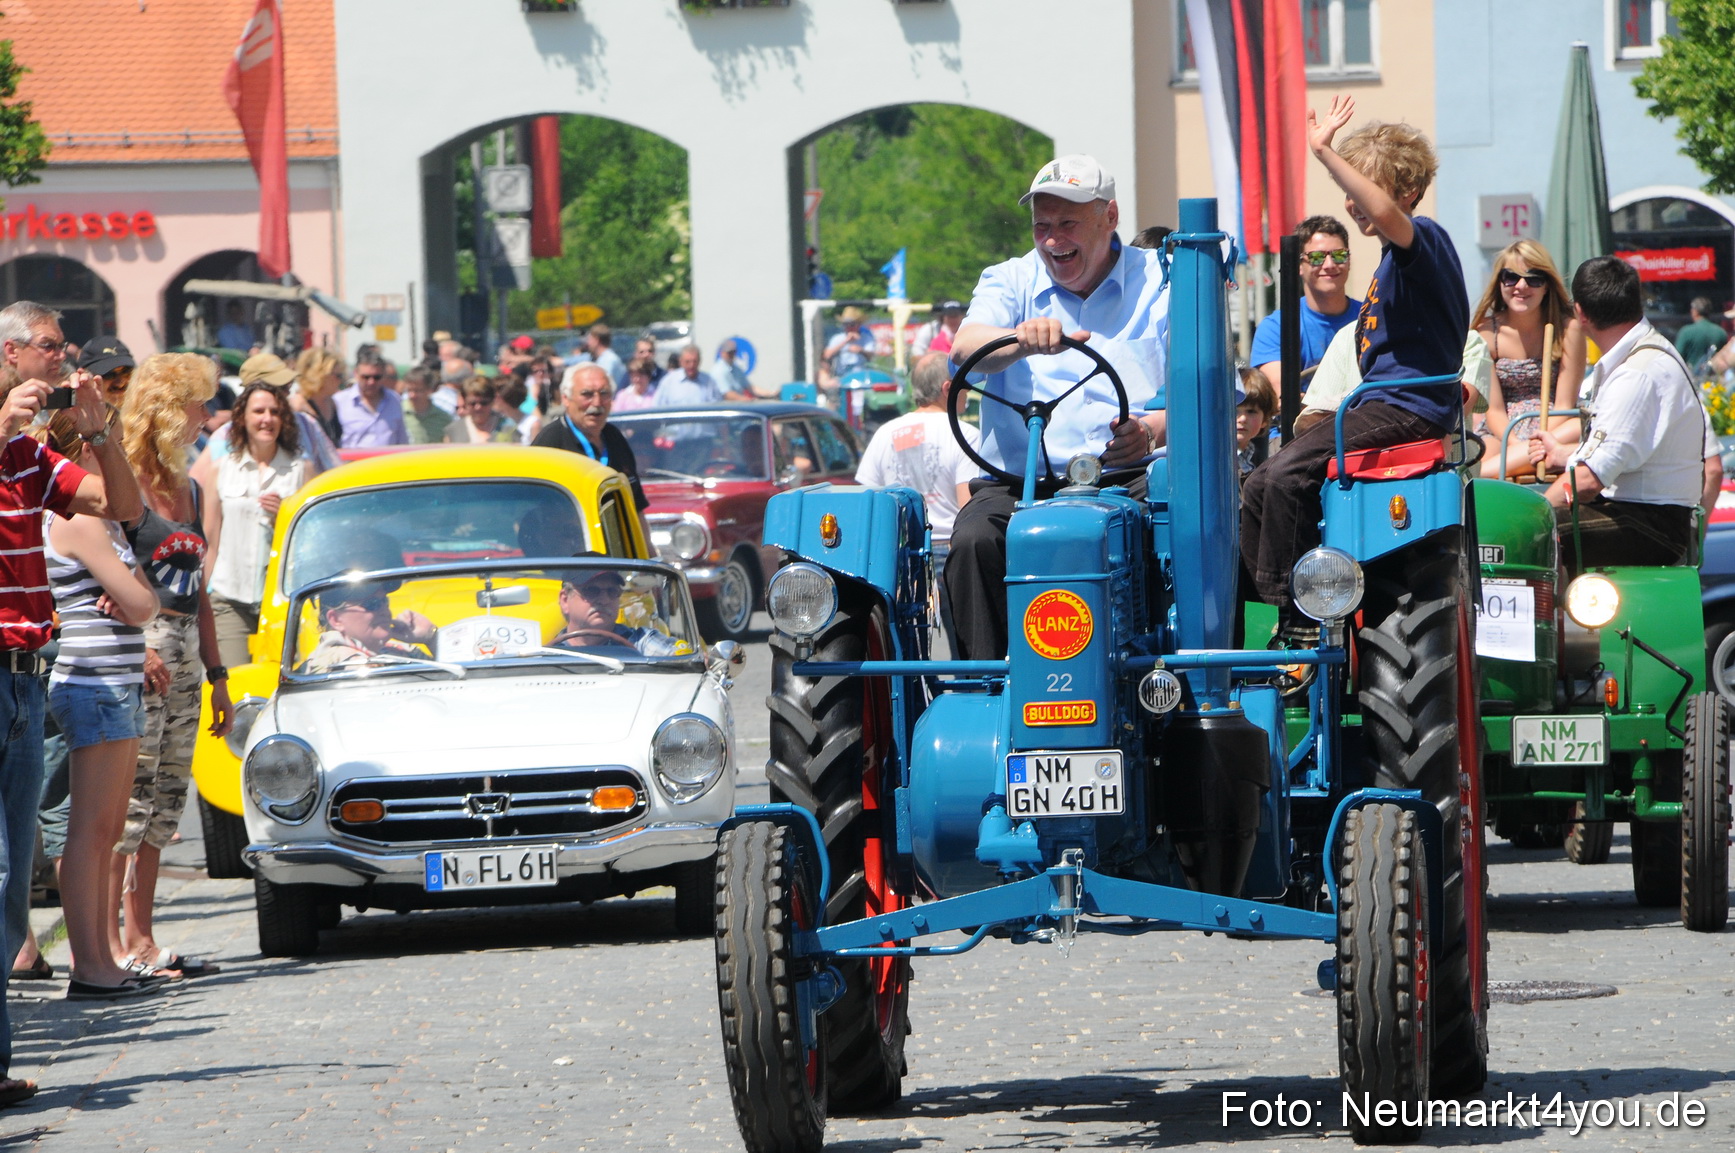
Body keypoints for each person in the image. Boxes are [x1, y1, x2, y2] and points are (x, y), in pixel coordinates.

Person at [1241, 97, 1468, 632]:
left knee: (1286, 474)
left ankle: (1296, 622)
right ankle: (1253, 617)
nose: (1353, 202)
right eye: (1347, 192)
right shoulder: (1394, 264)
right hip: (1380, 404)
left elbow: (1390, 216)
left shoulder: (1423, 239)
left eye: (1363, 189)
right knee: (1256, 484)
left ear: (1407, 193)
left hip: (1409, 406)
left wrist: (1324, 152)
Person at [944, 154, 1169, 660]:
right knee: (973, 540)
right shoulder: (1010, 279)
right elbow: (964, 349)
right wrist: (1019, 340)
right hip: (1021, 482)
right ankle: (985, 688)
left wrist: (1152, 429)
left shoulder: (1162, 281)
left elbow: (1209, 393)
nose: (1052, 239)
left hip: (1128, 476)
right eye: (1041, 225)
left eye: (1067, 223)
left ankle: (1178, 677)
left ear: (1109, 218)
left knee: (1187, 524)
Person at [0, 301, 143, 1088]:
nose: (64, 360)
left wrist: (103, 433)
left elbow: (118, 506)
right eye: (53, 349)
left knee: (16, 875)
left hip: (28, 678)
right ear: (13, 351)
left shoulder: (29, 455)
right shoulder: (8, 438)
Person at [39, 408, 163, 999]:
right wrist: (140, 595)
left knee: (109, 829)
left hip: (116, 683)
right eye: (102, 452)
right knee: (90, 833)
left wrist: (141, 596)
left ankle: (100, 958)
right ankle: (89, 963)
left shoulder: (105, 522)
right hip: (91, 684)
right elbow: (143, 603)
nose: (115, 465)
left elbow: (146, 600)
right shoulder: (79, 519)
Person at [118, 352, 233, 982]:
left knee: (164, 802)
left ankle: (143, 938)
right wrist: (138, 647)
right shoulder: (123, 480)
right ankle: (108, 945)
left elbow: (200, 590)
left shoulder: (188, 484)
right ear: (166, 407)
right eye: (197, 403)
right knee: (126, 805)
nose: (206, 415)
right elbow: (97, 578)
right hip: (143, 647)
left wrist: (218, 676)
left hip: (187, 647)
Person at [1528, 256, 1715, 574]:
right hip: (1647, 514)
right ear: (1634, 302)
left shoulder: (1637, 373)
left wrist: (1531, 512)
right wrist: (1563, 454)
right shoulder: (1642, 355)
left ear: (1581, 313)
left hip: (1653, 524)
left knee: (1532, 533)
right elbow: (1622, 453)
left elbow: (1587, 481)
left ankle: (1539, 622)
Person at [854, 352, 977, 651]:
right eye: (965, 386)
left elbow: (866, 501)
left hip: (898, 555)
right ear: (948, 388)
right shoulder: (965, 435)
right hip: (949, 550)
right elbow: (969, 508)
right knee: (966, 647)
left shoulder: (886, 434)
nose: (969, 393)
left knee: (904, 650)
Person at [202, 382, 310, 668]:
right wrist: (203, 598)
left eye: (275, 412)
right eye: (259, 411)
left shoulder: (301, 470)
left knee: (280, 686)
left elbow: (313, 544)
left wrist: (282, 520)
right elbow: (210, 539)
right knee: (236, 684)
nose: (267, 419)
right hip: (230, 598)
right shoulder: (222, 468)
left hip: (282, 602)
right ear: (243, 418)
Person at [1470, 239, 1586, 477]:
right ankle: (1480, 476)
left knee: (1578, 426)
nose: (1521, 286)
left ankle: (1476, 476)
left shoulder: (1568, 329)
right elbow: (1494, 410)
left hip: (1555, 422)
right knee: (1484, 452)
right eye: (1511, 277)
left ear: (1547, 286)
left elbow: (1564, 405)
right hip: (1502, 429)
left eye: (1534, 278)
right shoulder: (1486, 332)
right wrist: (1518, 445)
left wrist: (1538, 438)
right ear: (1500, 283)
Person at [1251, 215, 1361, 392]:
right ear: (1299, 266)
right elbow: (1282, 395)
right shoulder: (1276, 328)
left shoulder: (1372, 318)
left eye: (1339, 255)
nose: (1329, 265)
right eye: (1317, 257)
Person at [533, 364, 649, 513]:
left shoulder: (615, 438)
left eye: (604, 393)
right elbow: (531, 507)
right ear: (566, 399)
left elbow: (636, 509)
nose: (597, 402)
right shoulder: (550, 443)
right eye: (587, 394)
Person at [301, 585, 436, 674]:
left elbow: (453, 677)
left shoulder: (396, 651)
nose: (384, 610)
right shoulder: (341, 663)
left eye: (385, 601)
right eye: (372, 604)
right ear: (336, 620)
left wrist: (431, 637)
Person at [552, 567, 679, 656]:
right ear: (565, 600)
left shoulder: (639, 642)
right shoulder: (547, 654)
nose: (604, 600)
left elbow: (682, 658)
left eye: (612, 592)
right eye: (591, 591)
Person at [332, 351, 409, 448]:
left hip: (388, 462)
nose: (371, 382)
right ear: (356, 374)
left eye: (377, 377)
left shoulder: (394, 399)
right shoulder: (339, 401)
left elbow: (402, 440)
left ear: (384, 375)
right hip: (354, 462)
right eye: (366, 377)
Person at [291, 348, 346, 449]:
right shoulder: (298, 406)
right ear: (320, 375)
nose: (341, 380)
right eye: (338, 376)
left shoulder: (331, 403)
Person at [444, 378, 520, 443]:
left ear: (493, 400)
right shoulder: (454, 430)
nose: (478, 407)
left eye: (484, 403)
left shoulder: (509, 427)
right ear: (465, 402)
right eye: (472, 403)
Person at [1236, 367, 1277, 478]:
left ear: (1264, 420)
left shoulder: (1255, 459)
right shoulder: (1220, 459)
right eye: (1234, 410)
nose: (1242, 418)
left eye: (1251, 411)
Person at [654, 346, 725, 407]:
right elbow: (658, 407)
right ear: (681, 362)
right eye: (687, 362)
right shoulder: (668, 382)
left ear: (700, 361)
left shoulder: (709, 382)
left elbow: (717, 407)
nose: (691, 365)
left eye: (694, 361)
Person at [400, 367, 453, 444]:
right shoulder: (398, 413)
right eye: (409, 390)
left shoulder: (443, 418)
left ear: (430, 390)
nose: (412, 395)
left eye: (417, 390)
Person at [1675, 296, 1727, 373]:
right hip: (1715, 380)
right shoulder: (1721, 332)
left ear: (1695, 311)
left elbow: (1677, 358)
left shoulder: (1686, 332)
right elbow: (1725, 358)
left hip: (1692, 379)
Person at [78, 339, 134, 407]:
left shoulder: (147, 413)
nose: (120, 384)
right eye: (108, 375)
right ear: (85, 379)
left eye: (126, 372)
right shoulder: (73, 416)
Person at [824, 307, 876, 377]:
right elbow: (827, 355)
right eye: (845, 324)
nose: (849, 327)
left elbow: (871, 356)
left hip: (862, 374)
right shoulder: (837, 338)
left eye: (852, 324)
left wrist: (861, 350)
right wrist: (845, 341)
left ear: (859, 324)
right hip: (842, 375)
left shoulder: (867, 338)